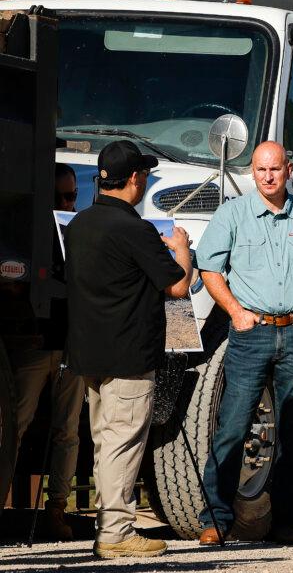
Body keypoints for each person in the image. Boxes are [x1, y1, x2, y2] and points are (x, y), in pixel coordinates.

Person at [196, 141, 293, 546]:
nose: (268, 176)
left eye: (275, 169)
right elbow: (209, 267)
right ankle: (215, 519)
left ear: (289, 170)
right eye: (261, 170)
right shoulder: (233, 214)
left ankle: (286, 522)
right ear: (252, 172)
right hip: (250, 333)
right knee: (232, 426)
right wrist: (234, 312)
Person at [66, 141, 192, 559]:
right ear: (136, 178)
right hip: (129, 356)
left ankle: (110, 526)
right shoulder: (135, 229)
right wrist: (182, 251)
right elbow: (176, 285)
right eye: (145, 175)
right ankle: (117, 533)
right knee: (123, 442)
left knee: (105, 442)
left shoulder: (79, 224)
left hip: (90, 354)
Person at [9, 164, 85, 540]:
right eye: (58, 197)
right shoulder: (27, 235)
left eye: (71, 196)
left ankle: (57, 510)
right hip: (36, 345)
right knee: (13, 428)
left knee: (67, 432)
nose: (66, 203)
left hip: (69, 346)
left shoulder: (79, 232)